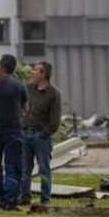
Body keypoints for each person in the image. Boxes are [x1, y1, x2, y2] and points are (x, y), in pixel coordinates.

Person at [0, 54, 27, 210]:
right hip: (13, 131)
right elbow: (25, 108)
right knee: (12, 167)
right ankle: (9, 201)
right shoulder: (19, 86)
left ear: (1, 66)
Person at [20, 61, 62, 207]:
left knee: (44, 168)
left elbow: (55, 120)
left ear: (43, 74)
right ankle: (24, 196)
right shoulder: (28, 89)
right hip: (25, 134)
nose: (32, 72)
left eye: (36, 70)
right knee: (25, 168)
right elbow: (21, 107)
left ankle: (45, 198)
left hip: (41, 137)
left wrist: (43, 134)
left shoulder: (54, 94)